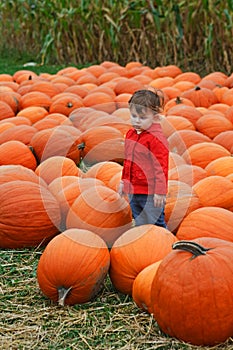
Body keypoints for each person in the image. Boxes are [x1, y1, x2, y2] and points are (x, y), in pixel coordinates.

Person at [118, 88, 169, 228]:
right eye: (134, 116)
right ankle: (143, 243)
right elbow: (128, 161)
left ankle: (162, 244)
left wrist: (160, 191)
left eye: (142, 118)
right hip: (133, 190)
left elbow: (161, 168)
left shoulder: (156, 139)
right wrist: (124, 181)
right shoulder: (130, 134)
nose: (137, 121)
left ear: (155, 117)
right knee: (139, 220)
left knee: (156, 222)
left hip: (151, 193)